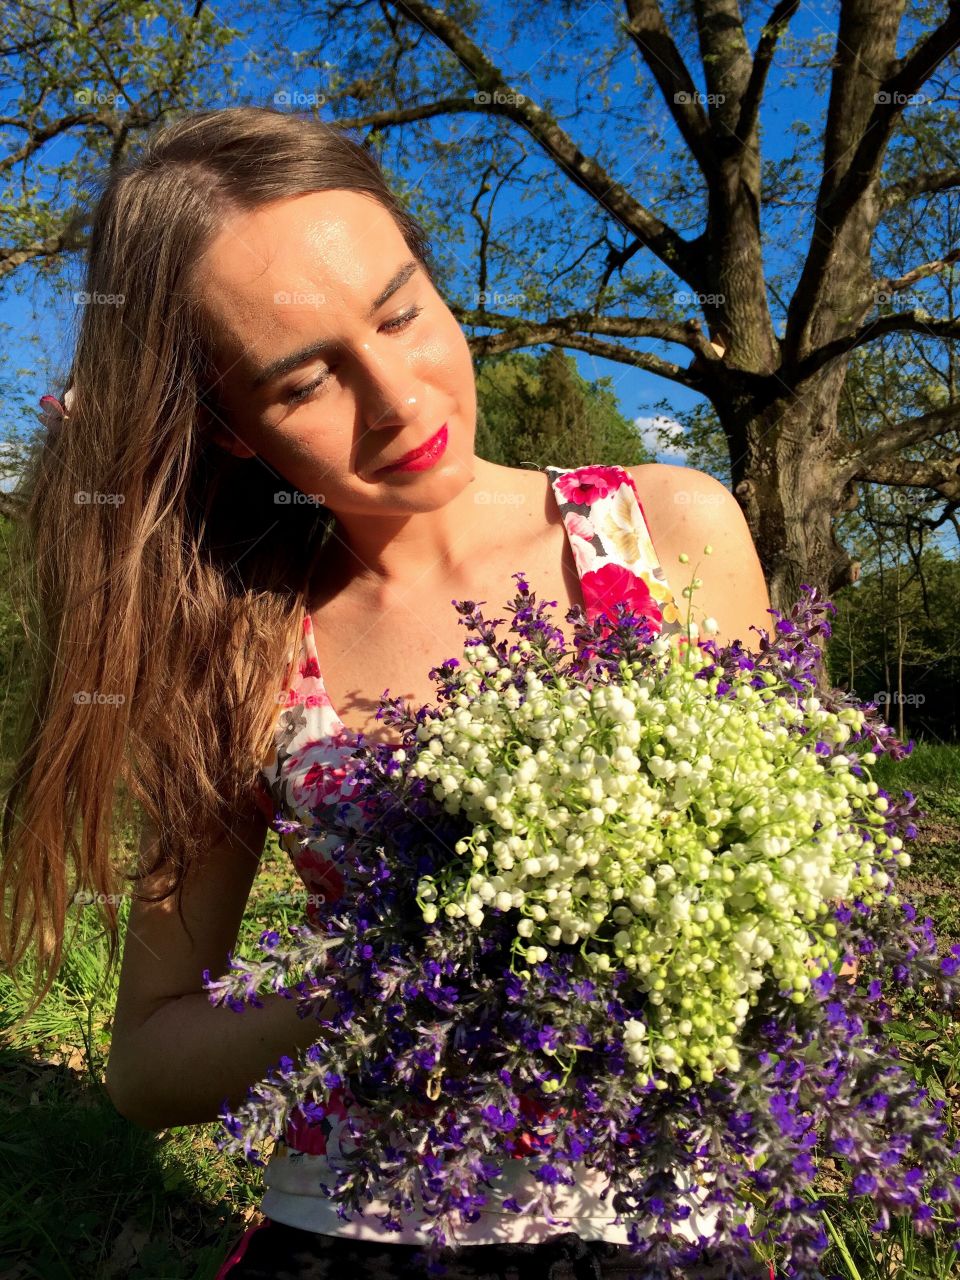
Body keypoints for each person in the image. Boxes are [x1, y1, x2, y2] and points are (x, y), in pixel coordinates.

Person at [0, 106, 775, 1279]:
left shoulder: (667, 530)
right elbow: (147, 1064)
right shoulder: (246, 644)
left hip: (654, 1219)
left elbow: (803, 937)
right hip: (364, 1232)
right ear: (230, 426)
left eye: (403, 310)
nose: (402, 400)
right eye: (305, 379)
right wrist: (377, 965)